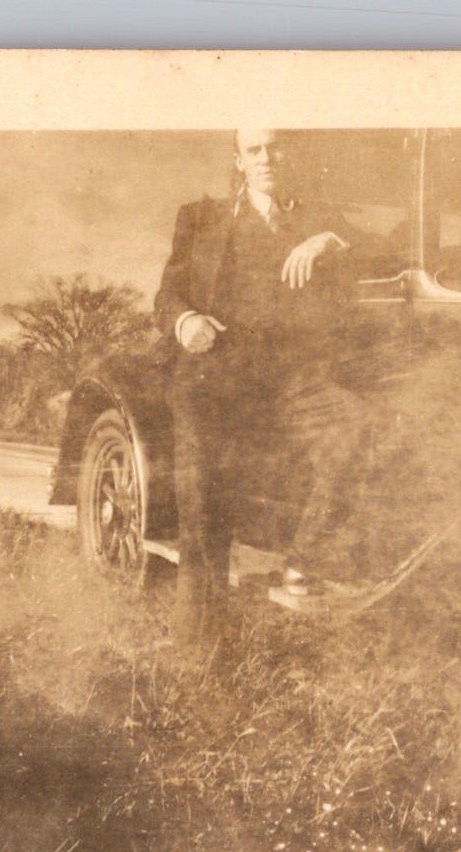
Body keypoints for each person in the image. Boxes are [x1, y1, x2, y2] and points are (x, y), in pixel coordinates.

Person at [153, 128, 369, 644]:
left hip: (293, 381)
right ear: (240, 161)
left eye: (275, 147)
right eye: (255, 150)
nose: (267, 158)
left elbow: (382, 251)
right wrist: (186, 323)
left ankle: (301, 566)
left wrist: (328, 241)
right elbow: (167, 294)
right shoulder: (200, 219)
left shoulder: (322, 219)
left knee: (353, 427)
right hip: (216, 379)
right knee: (202, 497)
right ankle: (197, 641)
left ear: (289, 154)